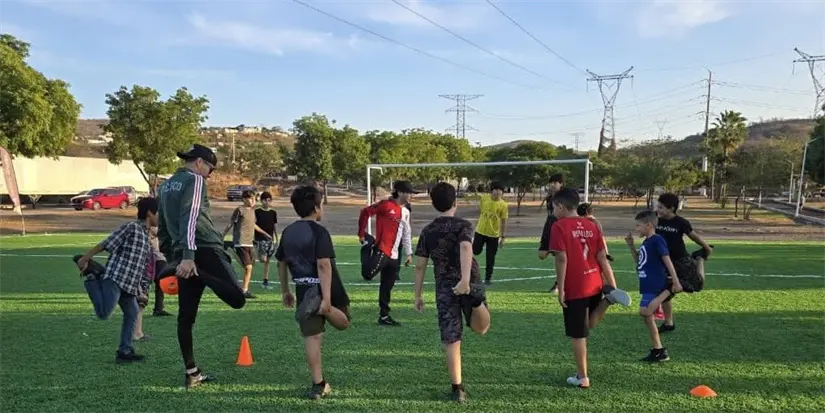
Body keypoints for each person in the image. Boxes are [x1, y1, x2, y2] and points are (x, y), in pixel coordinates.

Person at [156, 144, 247, 389]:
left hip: (181, 252)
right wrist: (188, 257)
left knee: (186, 317)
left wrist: (173, 256)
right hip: (202, 248)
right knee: (238, 299)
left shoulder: (164, 186)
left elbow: (162, 225)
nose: (210, 174)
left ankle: (191, 372)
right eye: (210, 168)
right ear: (199, 163)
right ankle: (203, 275)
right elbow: (190, 214)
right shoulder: (195, 181)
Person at [413, 182, 490, 403]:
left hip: (445, 287)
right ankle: (475, 303)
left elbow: (420, 265)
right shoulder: (464, 225)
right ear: (455, 202)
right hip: (469, 280)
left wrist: (417, 295)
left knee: (451, 337)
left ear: (433, 204)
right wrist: (466, 280)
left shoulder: (428, 230)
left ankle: (458, 388)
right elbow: (466, 247)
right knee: (481, 328)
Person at [548, 188, 631, 389]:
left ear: (560, 205)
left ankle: (582, 376)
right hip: (595, 282)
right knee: (587, 325)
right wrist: (611, 285)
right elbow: (602, 257)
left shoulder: (559, 226)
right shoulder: (593, 225)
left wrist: (561, 286)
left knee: (578, 334)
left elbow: (561, 258)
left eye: (553, 207)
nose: (552, 211)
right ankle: (608, 299)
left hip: (575, 285)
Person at [277, 185, 351, 400]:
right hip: (327, 287)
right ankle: (323, 306)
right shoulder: (319, 232)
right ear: (317, 207)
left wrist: (285, 291)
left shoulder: (288, 232)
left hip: (303, 288)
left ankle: (318, 383)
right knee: (344, 322)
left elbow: (281, 262)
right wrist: (327, 299)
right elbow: (324, 265)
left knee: (312, 337)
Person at [74, 197, 158, 364]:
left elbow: (140, 265)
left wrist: (140, 290)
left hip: (129, 285)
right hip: (116, 278)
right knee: (104, 313)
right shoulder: (131, 228)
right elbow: (107, 243)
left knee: (133, 313)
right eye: (159, 214)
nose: (161, 218)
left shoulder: (146, 236)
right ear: (150, 213)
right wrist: (86, 258)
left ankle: (124, 351)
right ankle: (93, 276)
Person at [624, 210, 683, 363]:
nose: (637, 229)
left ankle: (668, 291)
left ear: (648, 225)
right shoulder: (647, 242)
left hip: (655, 283)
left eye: (638, 225)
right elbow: (639, 261)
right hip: (647, 283)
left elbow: (667, 260)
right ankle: (658, 350)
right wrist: (631, 246)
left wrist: (675, 282)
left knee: (645, 311)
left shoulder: (657, 240)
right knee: (647, 316)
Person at [357, 180, 414, 326]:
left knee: (387, 286)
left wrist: (408, 253)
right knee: (368, 274)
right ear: (400, 192)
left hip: (395, 255)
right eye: (409, 193)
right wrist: (362, 234)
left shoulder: (406, 212)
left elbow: (407, 233)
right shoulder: (385, 205)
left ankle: (384, 316)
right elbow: (365, 212)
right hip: (382, 249)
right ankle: (367, 246)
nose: (411, 196)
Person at [654, 193, 713, 334]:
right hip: (663, 262)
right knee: (664, 291)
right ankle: (668, 323)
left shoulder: (681, 223)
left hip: (681, 260)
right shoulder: (656, 219)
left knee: (697, 285)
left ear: (671, 208)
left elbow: (694, 237)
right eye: (658, 206)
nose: (658, 210)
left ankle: (699, 259)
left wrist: (707, 248)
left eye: (661, 207)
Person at [222, 189, 272, 298]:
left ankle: (245, 290)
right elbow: (230, 223)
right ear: (244, 199)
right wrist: (222, 236)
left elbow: (253, 225)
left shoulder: (252, 211)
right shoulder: (239, 210)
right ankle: (244, 292)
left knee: (250, 266)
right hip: (241, 242)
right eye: (250, 198)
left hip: (250, 242)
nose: (252, 200)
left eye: (253, 198)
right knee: (248, 267)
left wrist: (265, 233)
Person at [472, 181, 508, 285]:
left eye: (500, 190)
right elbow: (481, 210)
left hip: (493, 235)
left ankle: (488, 279)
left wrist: (503, 237)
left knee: (490, 257)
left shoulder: (503, 205)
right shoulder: (484, 199)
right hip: (480, 231)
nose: (498, 192)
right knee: (476, 251)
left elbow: (504, 221)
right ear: (491, 190)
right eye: (496, 189)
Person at [538, 174, 565, 293]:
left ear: (561, 184)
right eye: (551, 182)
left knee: (560, 256)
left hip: (561, 226)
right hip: (549, 225)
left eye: (555, 182)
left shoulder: (565, 198)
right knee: (542, 254)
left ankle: (559, 284)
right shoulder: (549, 198)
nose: (553, 185)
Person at [254, 191, 279, 289]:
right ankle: (251, 258)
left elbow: (274, 226)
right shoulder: (257, 212)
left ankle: (265, 280)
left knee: (267, 261)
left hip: (270, 240)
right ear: (261, 201)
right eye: (265, 200)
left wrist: (276, 238)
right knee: (262, 259)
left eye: (269, 200)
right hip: (260, 239)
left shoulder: (273, 212)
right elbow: (253, 225)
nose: (267, 202)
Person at [148, 225, 171, 316]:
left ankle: (159, 308)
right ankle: (139, 307)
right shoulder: (150, 224)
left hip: (160, 257)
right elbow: (157, 232)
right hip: (153, 257)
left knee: (160, 283)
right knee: (147, 282)